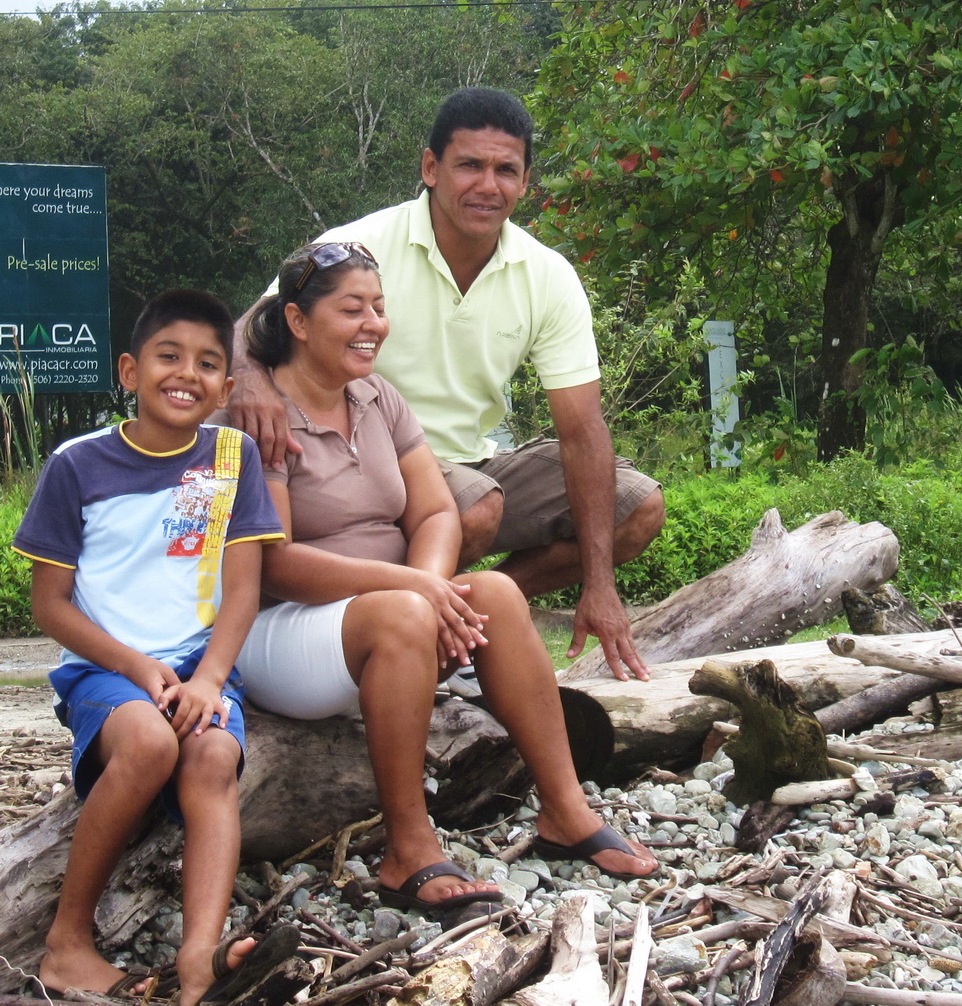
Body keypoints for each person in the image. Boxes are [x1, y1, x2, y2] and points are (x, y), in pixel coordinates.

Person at [226, 241, 658, 914]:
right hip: (278, 630)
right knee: (404, 612)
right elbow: (274, 561)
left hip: (383, 617)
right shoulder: (264, 415)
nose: (373, 322)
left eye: (378, 306)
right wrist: (406, 591)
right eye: (351, 309)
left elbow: (433, 508)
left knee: (494, 591)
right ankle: (407, 847)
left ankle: (564, 811)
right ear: (299, 322)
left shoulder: (377, 398)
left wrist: (430, 583)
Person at [228, 88, 665, 683]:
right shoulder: (361, 247)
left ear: (526, 181)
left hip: (477, 461)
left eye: (505, 169)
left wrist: (601, 583)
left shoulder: (546, 275)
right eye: (469, 165)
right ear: (430, 168)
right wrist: (250, 376)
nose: (488, 185)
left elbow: (582, 428)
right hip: (374, 467)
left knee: (636, 508)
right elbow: (246, 329)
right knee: (475, 508)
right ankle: (402, 635)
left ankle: (469, 621)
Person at [11, 291, 293, 1006]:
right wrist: (135, 666)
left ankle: (200, 958)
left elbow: (241, 591)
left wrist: (211, 679)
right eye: (169, 356)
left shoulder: (233, 456)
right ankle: (66, 942)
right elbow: (50, 604)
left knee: (210, 754)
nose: (187, 374)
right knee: (148, 745)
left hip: (201, 666)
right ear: (131, 371)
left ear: (227, 388)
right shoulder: (78, 463)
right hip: (106, 668)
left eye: (207, 363)